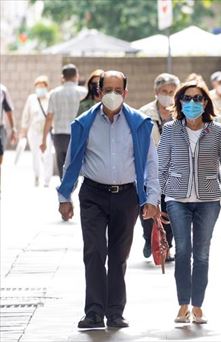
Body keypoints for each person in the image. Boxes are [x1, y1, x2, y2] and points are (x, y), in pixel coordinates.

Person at [57, 70, 160, 329]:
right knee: (93, 251)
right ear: (99, 92)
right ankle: (93, 311)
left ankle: (115, 312)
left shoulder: (139, 123)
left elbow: (150, 163)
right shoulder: (84, 123)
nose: (113, 95)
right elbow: (72, 161)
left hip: (126, 196)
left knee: (118, 255)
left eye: (118, 90)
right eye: (108, 90)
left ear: (125, 93)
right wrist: (64, 196)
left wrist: (152, 199)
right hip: (93, 194)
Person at [158, 80, 221, 324]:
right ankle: (182, 305)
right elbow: (161, 164)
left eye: (198, 98)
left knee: (203, 254)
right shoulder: (170, 130)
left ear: (205, 102)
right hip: (177, 199)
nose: (193, 103)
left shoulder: (217, 131)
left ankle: (197, 305)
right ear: (180, 102)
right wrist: (154, 199)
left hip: (208, 200)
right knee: (183, 251)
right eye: (188, 98)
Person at [138, 73, 180, 261]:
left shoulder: (181, 113)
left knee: (170, 209)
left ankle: (167, 246)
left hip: (174, 171)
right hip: (150, 172)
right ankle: (149, 238)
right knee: (149, 209)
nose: (168, 95)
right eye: (164, 91)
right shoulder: (144, 113)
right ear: (156, 92)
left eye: (172, 91)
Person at [41, 64, 87, 180]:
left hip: (59, 136)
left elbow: (49, 118)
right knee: (75, 165)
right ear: (76, 76)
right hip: (77, 135)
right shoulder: (84, 93)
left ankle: (64, 193)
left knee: (62, 166)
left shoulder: (54, 93)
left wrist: (43, 140)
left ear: (63, 77)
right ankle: (71, 188)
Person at [19, 76, 54, 187]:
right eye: (38, 87)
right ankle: (37, 175)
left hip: (47, 131)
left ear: (46, 87)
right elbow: (26, 115)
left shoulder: (51, 98)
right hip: (33, 131)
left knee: (47, 155)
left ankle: (47, 180)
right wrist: (23, 131)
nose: (40, 89)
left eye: (42, 87)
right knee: (35, 154)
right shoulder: (31, 99)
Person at [0, 83, 17, 166]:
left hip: (0, 127)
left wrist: (13, 128)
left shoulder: (2, 90)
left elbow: (9, 110)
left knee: (0, 152)